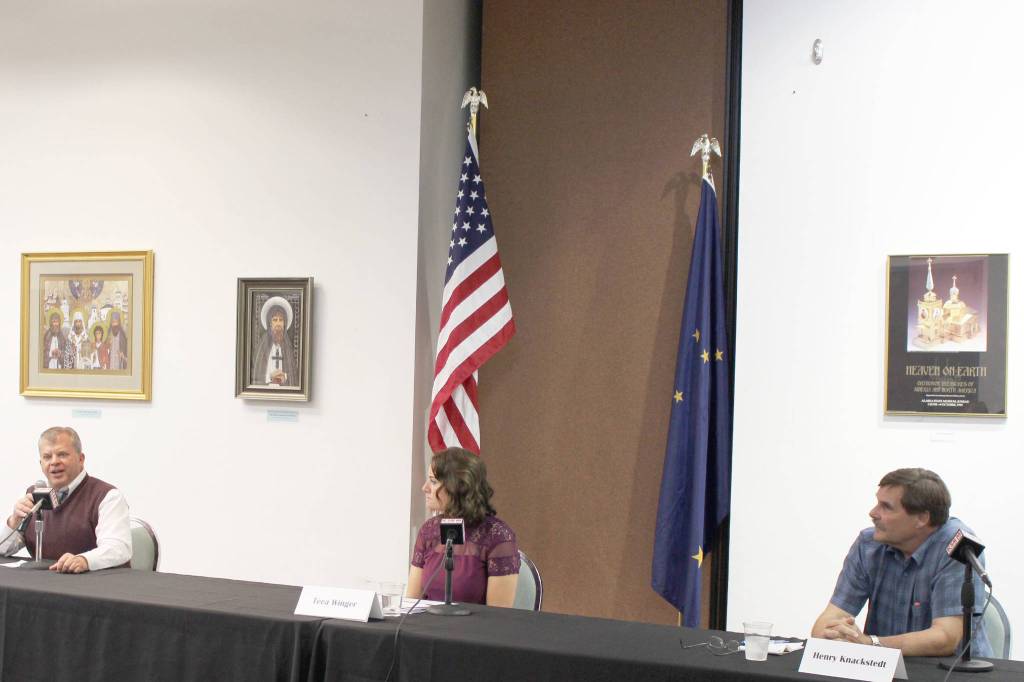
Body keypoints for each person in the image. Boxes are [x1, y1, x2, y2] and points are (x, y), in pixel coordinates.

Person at [811, 468, 991, 657]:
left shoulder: (957, 547)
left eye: (886, 507)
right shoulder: (868, 544)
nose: (872, 513)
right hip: (884, 668)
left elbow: (945, 639)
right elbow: (828, 621)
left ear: (922, 518)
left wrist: (870, 644)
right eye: (877, 503)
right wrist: (834, 634)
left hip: (950, 672)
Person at [0, 426, 132, 573]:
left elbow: (118, 548)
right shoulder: (32, 496)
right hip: (41, 587)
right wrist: (13, 522)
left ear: (81, 459)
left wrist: (84, 560)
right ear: (41, 464)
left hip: (95, 587)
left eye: (62, 454)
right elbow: (2, 549)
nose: (54, 462)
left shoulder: (107, 496)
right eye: (47, 457)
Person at [407, 447, 520, 606]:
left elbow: (498, 619)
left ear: (457, 486)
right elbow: (411, 603)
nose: (425, 488)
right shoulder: (429, 531)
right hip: (427, 627)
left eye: (433, 481)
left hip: (471, 630)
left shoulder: (497, 537)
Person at [250, 296, 298, 387]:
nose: (278, 324)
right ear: (270, 323)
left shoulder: (288, 348)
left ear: (285, 323)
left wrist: (285, 376)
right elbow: (255, 376)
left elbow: (293, 377)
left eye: (281, 320)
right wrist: (270, 377)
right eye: (275, 320)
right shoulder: (262, 348)